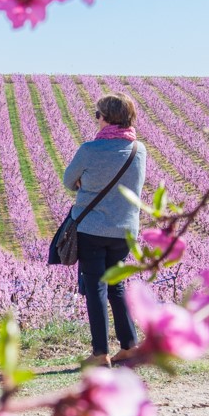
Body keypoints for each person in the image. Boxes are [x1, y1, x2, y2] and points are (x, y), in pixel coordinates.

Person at [62, 92, 147, 368]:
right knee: (116, 286)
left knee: (96, 287)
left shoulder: (89, 150)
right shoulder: (138, 150)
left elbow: (68, 179)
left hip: (93, 229)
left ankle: (100, 353)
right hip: (124, 230)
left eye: (97, 114)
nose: (96, 119)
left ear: (107, 117)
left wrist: (86, 185)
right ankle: (130, 345)